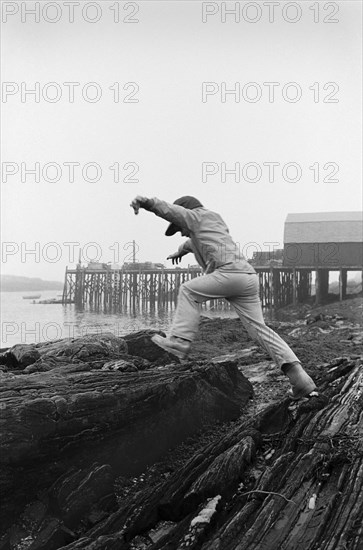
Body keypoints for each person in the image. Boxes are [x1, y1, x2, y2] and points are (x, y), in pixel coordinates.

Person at [130, 195, 317, 399]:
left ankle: (178, 342)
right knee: (260, 330)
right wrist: (178, 253)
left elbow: (170, 211)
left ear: (187, 213)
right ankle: (301, 379)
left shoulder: (197, 217)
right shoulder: (209, 226)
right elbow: (189, 244)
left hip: (229, 274)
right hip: (248, 278)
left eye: (179, 226)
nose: (181, 230)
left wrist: (147, 203)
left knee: (188, 290)